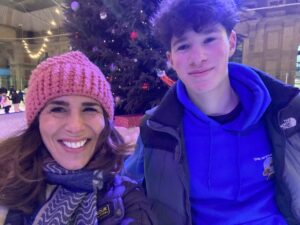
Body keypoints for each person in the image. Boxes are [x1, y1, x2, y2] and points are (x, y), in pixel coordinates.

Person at [123, 0, 300, 224]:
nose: (198, 58)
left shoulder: (285, 113)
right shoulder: (157, 130)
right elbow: (125, 190)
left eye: (209, 39)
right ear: (171, 59)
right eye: (183, 46)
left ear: (232, 42)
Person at [0, 51, 156, 225]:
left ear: (105, 122)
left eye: (89, 109)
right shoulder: (5, 192)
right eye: (58, 109)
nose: (75, 126)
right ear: (37, 121)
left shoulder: (128, 201)